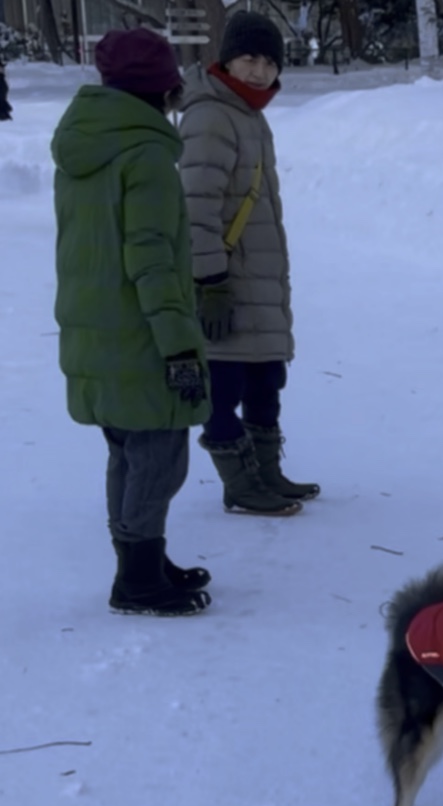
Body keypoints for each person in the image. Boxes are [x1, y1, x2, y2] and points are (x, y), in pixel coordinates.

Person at [52, 28, 212, 617]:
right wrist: (178, 349)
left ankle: (140, 560)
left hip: (96, 330)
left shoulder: (84, 143)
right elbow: (150, 259)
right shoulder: (145, 154)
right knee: (158, 456)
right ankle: (138, 581)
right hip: (141, 335)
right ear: (162, 85)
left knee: (125, 451)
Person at [180, 10, 318, 516]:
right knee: (226, 388)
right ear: (227, 60)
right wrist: (211, 281)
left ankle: (265, 473)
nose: (260, 71)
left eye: (268, 61)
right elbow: (198, 208)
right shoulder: (212, 114)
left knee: (266, 378)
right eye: (248, 59)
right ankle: (240, 484)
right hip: (228, 281)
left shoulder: (246, 113)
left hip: (256, 280)